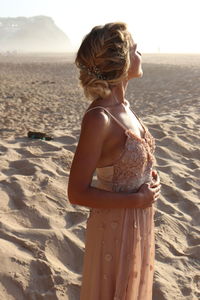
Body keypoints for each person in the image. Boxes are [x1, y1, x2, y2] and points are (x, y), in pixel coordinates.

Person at [68, 22, 161, 300]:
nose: (141, 54)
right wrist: (135, 200)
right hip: (114, 229)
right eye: (135, 49)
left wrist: (148, 180)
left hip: (139, 221)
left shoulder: (125, 109)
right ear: (121, 62)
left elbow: (126, 164)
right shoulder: (99, 119)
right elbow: (76, 191)